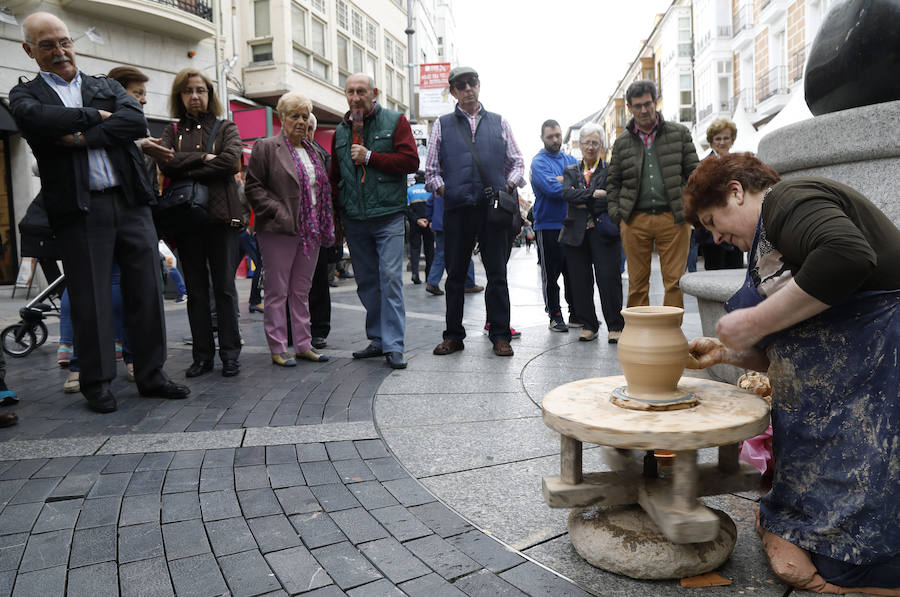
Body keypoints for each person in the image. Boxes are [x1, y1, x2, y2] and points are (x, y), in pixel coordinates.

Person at [683, 153, 900, 593]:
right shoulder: (766, 246)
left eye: (713, 219)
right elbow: (787, 354)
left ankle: (861, 575)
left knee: (854, 546)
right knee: (801, 528)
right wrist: (726, 353)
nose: (717, 236)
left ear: (737, 191)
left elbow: (846, 256)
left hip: (878, 373)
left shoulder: (787, 201)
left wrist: (755, 322)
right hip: (835, 394)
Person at [10, 12, 189, 413]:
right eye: (47, 45)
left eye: (64, 41)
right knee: (90, 299)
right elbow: (36, 120)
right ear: (29, 50)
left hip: (129, 202)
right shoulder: (26, 95)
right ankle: (96, 382)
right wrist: (97, 117)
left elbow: (134, 120)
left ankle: (152, 375)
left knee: (146, 291)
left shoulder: (103, 85)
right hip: (78, 208)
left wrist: (75, 137)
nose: (60, 51)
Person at [426, 66, 526, 357]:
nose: (467, 88)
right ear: (453, 91)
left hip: (492, 208)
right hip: (458, 208)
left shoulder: (499, 122)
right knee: (455, 275)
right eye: (460, 85)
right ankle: (453, 336)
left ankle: (500, 334)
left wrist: (507, 186)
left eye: (471, 83)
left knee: (497, 274)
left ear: (479, 85)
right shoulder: (441, 125)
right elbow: (431, 171)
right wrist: (446, 190)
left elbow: (518, 162)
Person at [158, 67, 244, 378]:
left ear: (210, 94)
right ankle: (202, 356)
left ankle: (230, 355)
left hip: (222, 220)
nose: (195, 96)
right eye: (188, 91)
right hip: (187, 221)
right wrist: (204, 160)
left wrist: (186, 167)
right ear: (180, 96)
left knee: (224, 288)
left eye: (201, 90)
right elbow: (165, 162)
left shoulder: (226, 127)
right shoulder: (172, 131)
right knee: (195, 292)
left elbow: (229, 161)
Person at [329, 73, 419, 370]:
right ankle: (378, 338)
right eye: (350, 92)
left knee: (390, 278)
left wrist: (371, 157)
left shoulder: (396, 121)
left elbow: (410, 162)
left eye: (361, 91)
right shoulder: (340, 132)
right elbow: (335, 178)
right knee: (366, 282)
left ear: (374, 93)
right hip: (354, 219)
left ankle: (394, 345)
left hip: (388, 216)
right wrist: (337, 216)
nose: (355, 97)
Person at [245, 91, 334, 366]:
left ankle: (303, 344)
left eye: (304, 116)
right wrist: (278, 211)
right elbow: (253, 187)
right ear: (282, 118)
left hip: (311, 231)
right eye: (294, 115)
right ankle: (278, 346)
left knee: (301, 290)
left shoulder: (315, 151)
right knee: (277, 290)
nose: (300, 121)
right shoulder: (267, 147)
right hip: (278, 229)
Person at [606, 80, 699, 308]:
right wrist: (618, 215)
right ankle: (640, 338)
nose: (644, 110)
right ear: (629, 107)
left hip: (674, 218)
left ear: (656, 102)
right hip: (634, 219)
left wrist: (689, 208)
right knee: (637, 284)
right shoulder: (621, 143)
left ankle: (670, 336)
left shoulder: (679, 133)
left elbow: (696, 174)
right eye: (637, 106)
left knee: (675, 282)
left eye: (648, 104)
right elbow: (613, 182)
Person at [560, 123, 625, 343]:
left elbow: (612, 198)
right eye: (586, 142)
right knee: (580, 281)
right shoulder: (570, 170)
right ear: (579, 145)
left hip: (604, 232)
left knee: (609, 280)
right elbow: (566, 195)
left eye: (595, 143)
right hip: (575, 234)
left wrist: (582, 197)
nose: (590, 147)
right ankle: (589, 325)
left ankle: (615, 326)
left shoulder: (610, 170)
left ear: (601, 146)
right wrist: (593, 195)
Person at [530, 119, 578, 332]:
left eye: (558, 135)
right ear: (542, 138)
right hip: (547, 225)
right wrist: (566, 183)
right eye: (550, 136)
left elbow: (581, 184)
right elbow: (552, 189)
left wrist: (563, 181)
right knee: (551, 274)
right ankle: (555, 314)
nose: (556, 139)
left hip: (571, 223)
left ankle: (576, 313)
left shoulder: (570, 159)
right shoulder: (538, 162)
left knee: (574, 272)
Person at [694, 117, 744, 270]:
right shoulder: (702, 165)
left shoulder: (741, 163)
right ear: (711, 141)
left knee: (736, 273)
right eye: (718, 138)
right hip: (713, 232)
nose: (722, 142)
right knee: (714, 275)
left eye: (726, 138)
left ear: (732, 140)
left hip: (737, 228)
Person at [306, 113, 333, 350]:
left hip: (318, 226)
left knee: (318, 280)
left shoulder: (322, 155)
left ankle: (318, 329)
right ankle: (295, 328)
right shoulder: (280, 151)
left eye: (308, 127)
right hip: (291, 227)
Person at [406, 171, 434, 285]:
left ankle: (415, 274)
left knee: (415, 249)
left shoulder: (409, 190)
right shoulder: (430, 190)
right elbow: (433, 205)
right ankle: (429, 276)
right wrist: (429, 219)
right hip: (428, 223)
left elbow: (407, 209)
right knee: (430, 249)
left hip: (415, 224)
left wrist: (417, 220)